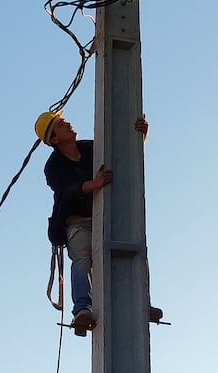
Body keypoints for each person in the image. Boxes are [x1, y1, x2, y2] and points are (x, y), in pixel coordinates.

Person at [34, 110, 150, 336]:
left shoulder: (89, 148)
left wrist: (140, 135)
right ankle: (82, 309)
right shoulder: (54, 166)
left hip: (105, 216)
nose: (68, 125)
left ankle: (142, 302)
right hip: (77, 222)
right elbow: (66, 190)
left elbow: (121, 151)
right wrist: (94, 184)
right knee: (82, 257)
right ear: (55, 139)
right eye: (62, 125)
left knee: (134, 250)